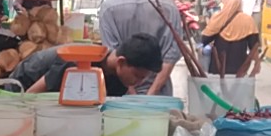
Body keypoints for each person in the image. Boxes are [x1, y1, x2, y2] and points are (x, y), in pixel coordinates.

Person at [96, 0, 185, 95]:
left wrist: (133, 95)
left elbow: (114, 56)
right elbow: (171, 56)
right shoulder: (169, 7)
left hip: (121, 97)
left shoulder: (108, 8)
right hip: (159, 99)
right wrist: (150, 95)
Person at [12, 33, 163, 97]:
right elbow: (30, 96)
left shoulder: (119, 79)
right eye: (137, 76)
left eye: (143, 78)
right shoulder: (78, 59)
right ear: (121, 62)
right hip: (22, 86)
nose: (139, 82)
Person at [200, 0, 260, 77]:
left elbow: (204, 39)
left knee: (217, 92)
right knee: (237, 92)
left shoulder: (217, 18)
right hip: (239, 70)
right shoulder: (248, 20)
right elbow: (254, 46)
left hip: (218, 70)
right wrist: (257, 64)